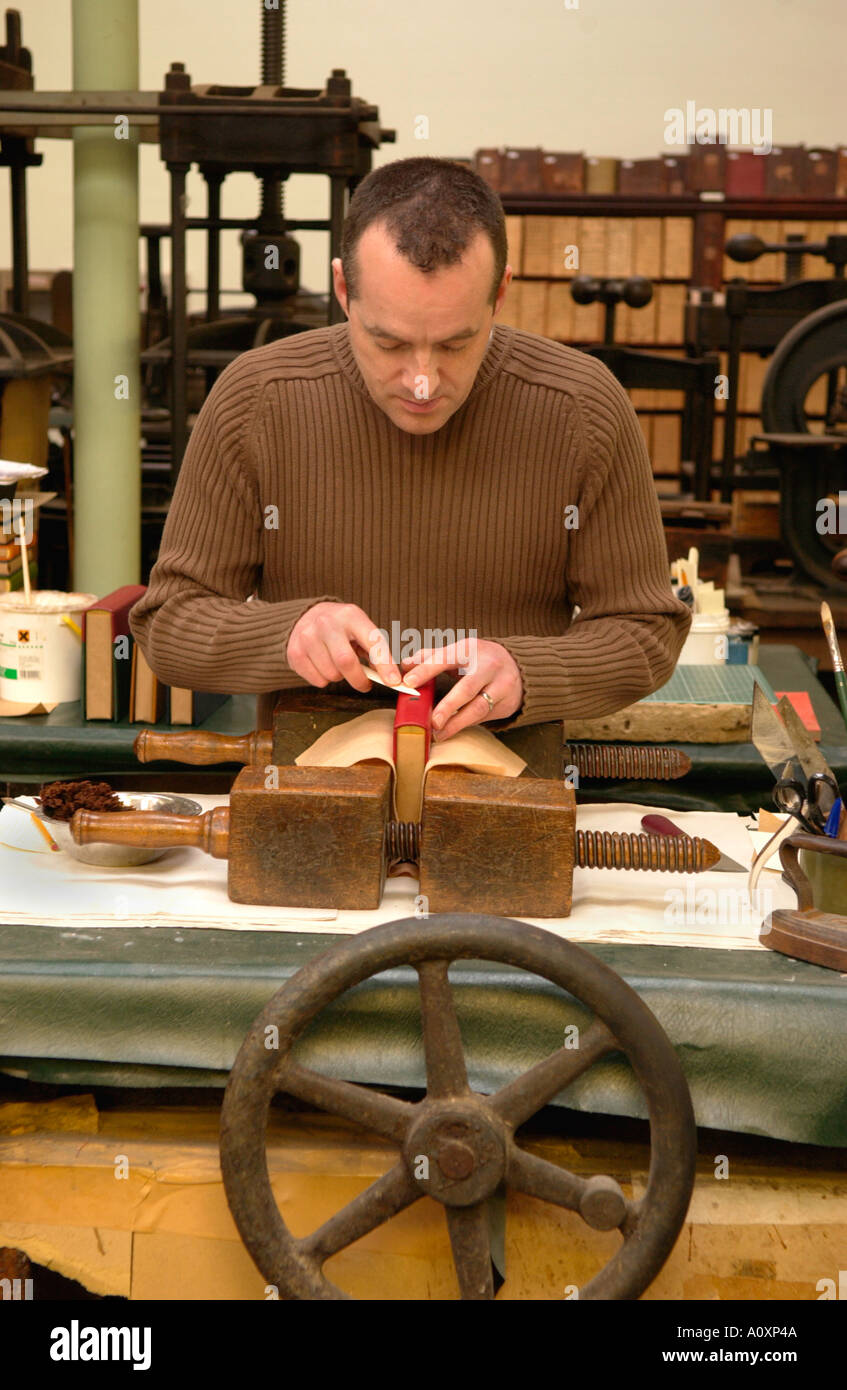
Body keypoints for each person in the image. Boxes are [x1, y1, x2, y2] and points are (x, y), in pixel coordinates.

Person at [130, 156, 690, 741]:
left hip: (508, 792)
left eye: (454, 344)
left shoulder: (582, 407)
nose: (422, 381)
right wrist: (286, 632)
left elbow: (646, 629)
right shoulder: (259, 399)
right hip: (311, 791)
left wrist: (530, 671)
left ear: (499, 294)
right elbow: (169, 623)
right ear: (344, 290)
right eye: (390, 342)